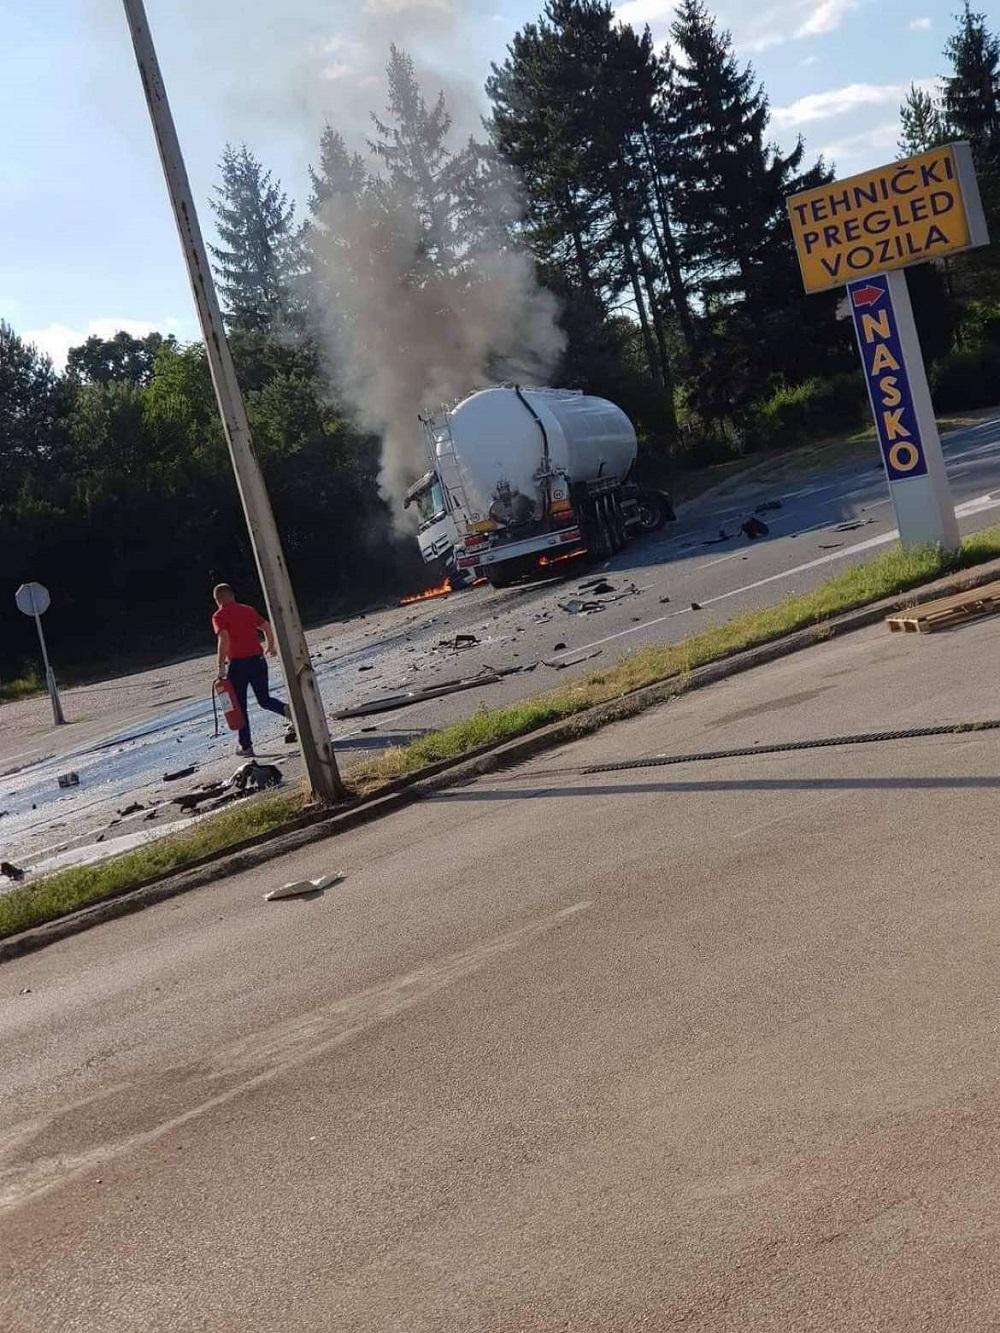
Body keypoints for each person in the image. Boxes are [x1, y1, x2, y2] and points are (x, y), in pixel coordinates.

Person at [212, 583, 291, 756]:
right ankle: (286, 710)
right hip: (258, 660)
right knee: (264, 699)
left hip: (238, 665)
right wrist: (271, 646)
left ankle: (246, 746)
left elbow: (223, 639)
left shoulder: (219, 615)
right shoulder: (247, 609)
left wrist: (221, 666)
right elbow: (266, 626)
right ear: (232, 595)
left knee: (240, 706)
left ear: (218, 600)